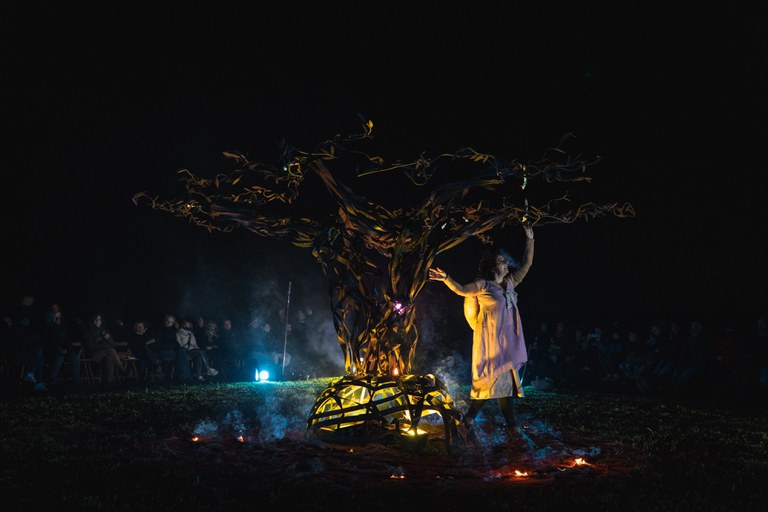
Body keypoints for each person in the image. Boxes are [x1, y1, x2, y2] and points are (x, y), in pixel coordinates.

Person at [428, 225, 534, 438]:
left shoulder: (510, 283)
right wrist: (446, 278)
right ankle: (482, 422)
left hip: (507, 344)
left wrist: (530, 239)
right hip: (490, 343)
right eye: (501, 261)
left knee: (503, 384)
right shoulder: (484, 285)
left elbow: (527, 263)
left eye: (504, 261)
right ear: (493, 267)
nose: (505, 263)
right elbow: (462, 290)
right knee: (491, 382)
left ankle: (489, 424)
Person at [82, 313, 126, 385]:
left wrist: (108, 338)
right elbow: (90, 347)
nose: (97, 321)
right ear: (92, 321)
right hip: (94, 355)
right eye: (95, 320)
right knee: (110, 350)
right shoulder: (88, 332)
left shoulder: (104, 331)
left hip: (106, 354)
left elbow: (113, 344)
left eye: (99, 319)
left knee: (109, 358)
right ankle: (121, 369)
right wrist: (104, 346)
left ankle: (108, 382)